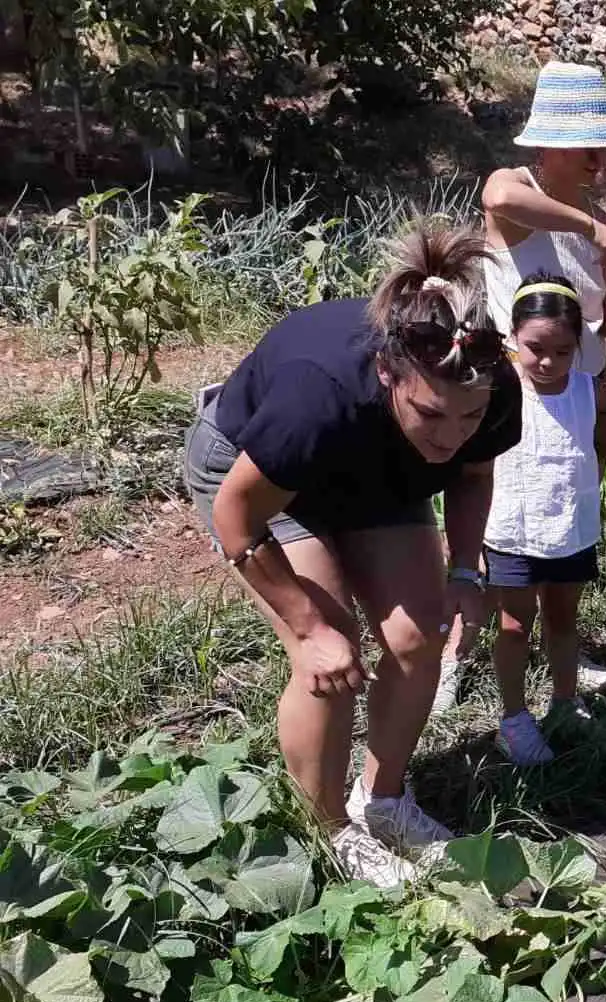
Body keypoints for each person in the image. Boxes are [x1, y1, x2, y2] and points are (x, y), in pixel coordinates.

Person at [182, 227, 521, 886]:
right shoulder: (319, 397)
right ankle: (331, 826)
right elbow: (236, 517)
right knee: (332, 652)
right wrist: (306, 630)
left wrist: (462, 571)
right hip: (259, 477)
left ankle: (385, 801)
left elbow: (473, 476)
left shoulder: (487, 386)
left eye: (469, 417)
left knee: (419, 636)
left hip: (378, 469)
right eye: (432, 413)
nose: (453, 435)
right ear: (388, 371)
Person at [434, 62, 606, 713]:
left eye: (605, 147)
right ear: (551, 143)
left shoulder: (600, 216)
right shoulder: (521, 191)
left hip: (571, 397)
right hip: (505, 394)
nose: (600, 159)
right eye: (588, 146)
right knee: (488, 520)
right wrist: (587, 228)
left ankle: (561, 650)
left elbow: (590, 318)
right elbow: (497, 200)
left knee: (559, 519)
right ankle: (459, 650)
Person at [484, 273, 606, 765]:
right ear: (512, 338)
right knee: (516, 625)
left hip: (571, 530)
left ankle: (565, 703)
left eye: (562, 351)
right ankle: (515, 718)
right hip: (512, 530)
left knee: (564, 620)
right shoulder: (499, 391)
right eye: (534, 347)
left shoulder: (593, 393)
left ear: (578, 347)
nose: (547, 361)